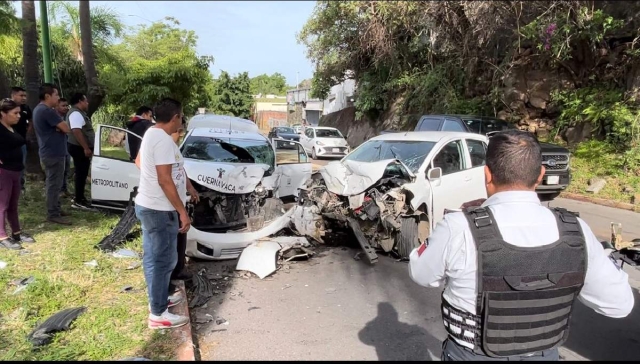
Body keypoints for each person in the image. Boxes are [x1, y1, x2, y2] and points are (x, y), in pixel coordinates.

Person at [408, 130, 634, 361]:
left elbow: (421, 274)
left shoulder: (458, 227)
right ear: (541, 175)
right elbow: (618, 305)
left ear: (487, 174)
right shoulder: (577, 231)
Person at [133, 98, 199, 329]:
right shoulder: (161, 140)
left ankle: (160, 299)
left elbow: (145, 165)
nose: (181, 121)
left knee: (156, 258)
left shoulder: (152, 132)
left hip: (153, 206)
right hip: (159, 210)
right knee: (162, 260)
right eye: (181, 117)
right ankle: (158, 313)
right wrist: (183, 212)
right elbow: (164, 179)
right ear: (175, 118)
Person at [32, 83, 72, 225]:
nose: (58, 97)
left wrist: (58, 128)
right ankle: (53, 214)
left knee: (55, 182)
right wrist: (59, 127)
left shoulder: (40, 109)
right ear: (47, 96)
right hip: (53, 153)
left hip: (50, 152)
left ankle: (56, 208)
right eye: (56, 95)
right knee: (54, 184)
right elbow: (66, 128)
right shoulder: (47, 111)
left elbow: (61, 129)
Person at [0, 99, 36, 249]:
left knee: (13, 204)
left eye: (19, 113)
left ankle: (17, 233)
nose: (18, 116)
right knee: (2, 204)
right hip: (4, 172)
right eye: (15, 113)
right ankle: (2, 237)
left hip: (16, 170)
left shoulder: (12, 128)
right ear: (3, 113)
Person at [66, 93, 95, 210]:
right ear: (80, 101)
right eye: (86, 101)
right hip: (78, 148)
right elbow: (76, 131)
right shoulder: (76, 114)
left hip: (79, 147)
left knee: (82, 173)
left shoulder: (79, 113)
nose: (87, 103)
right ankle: (79, 200)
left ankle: (80, 197)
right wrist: (86, 148)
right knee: (81, 173)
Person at [10, 87, 32, 191]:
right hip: (7, 142)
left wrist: (28, 133)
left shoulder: (26, 108)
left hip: (21, 142)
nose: (24, 98)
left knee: (21, 164)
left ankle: (20, 186)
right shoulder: (5, 107)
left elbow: (31, 120)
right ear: (13, 96)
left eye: (25, 96)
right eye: (21, 95)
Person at [55, 98, 72, 198]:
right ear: (57, 106)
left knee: (67, 168)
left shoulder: (68, 116)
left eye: (67, 105)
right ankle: (59, 190)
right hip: (57, 147)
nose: (66, 108)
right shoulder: (54, 116)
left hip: (66, 144)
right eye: (63, 106)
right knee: (59, 170)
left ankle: (64, 188)